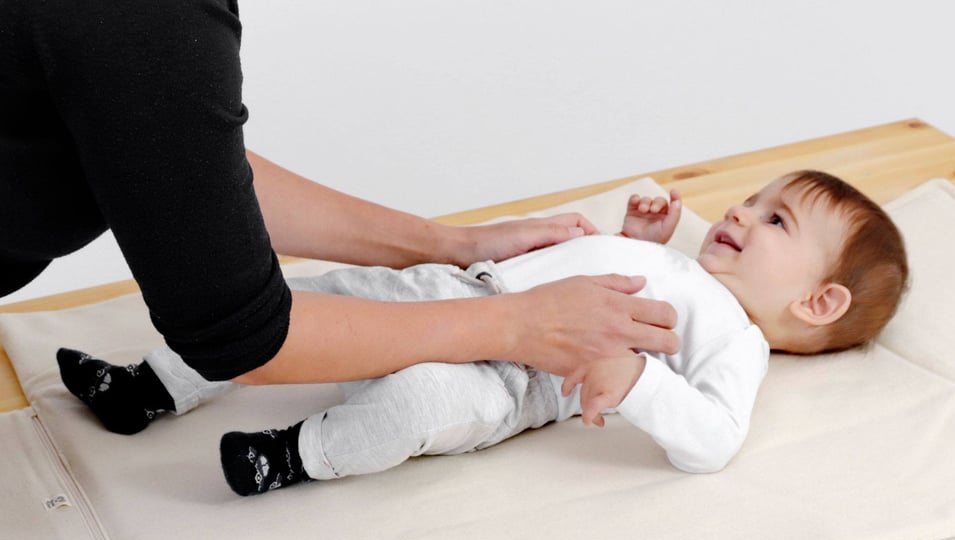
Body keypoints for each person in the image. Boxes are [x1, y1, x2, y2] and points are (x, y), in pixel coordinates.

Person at [58, 170, 909, 495]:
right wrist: (639, 243)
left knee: (421, 404)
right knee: (287, 298)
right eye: (754, 200)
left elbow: (714, 439)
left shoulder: (737, 340)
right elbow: (623, 281)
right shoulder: (684, 267)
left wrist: (638, 379)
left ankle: (292, 455)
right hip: (452, 289)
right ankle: (149, 387)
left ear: (818, 303)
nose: (743, 212)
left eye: (776, 220)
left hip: (510, 379)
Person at [0, 0, 678, 388]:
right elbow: (238, 334)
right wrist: (517, 326)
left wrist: (449, 245)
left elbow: (170, 160)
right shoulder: (143, 19)